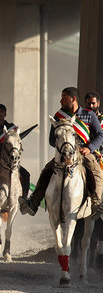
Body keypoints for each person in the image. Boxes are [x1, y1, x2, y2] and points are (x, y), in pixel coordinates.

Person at [19, 87, 103, 220]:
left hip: (84, 152)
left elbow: (100, 135)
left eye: (64, 97)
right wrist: (63, 148)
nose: (61, 100)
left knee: (97, 172)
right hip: (64, 154)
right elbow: (52, 140)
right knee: (46, 170)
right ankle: (33, 202)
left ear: (73, 99)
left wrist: (90, 148)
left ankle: (96, 204)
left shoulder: (89, 115)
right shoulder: (59, 116)